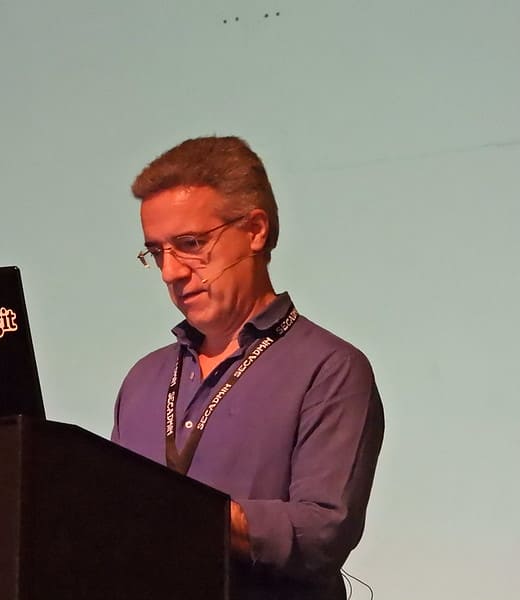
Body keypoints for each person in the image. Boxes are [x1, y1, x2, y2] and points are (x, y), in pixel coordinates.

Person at [111, 136, 384, 599]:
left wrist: (182, 513)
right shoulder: (143, 380)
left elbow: (323, 531)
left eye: (190, 244)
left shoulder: (330, 368)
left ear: (255, 230)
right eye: (157, 252)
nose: (170, 272)